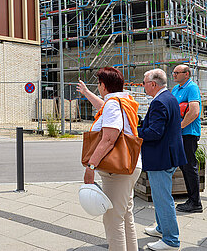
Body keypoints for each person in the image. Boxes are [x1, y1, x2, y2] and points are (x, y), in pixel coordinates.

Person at [77, 67, 141, 251]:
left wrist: (91, 166)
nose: (98, 87)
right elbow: (104, 108)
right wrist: (87, 93)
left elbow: (109, 138)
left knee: (113, 219)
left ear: (104, 85)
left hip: (117, 171)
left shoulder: (113, 104)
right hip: (129, 166)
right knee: (125, 215)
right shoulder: (123, 101)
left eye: (98, 84)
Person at [138, 69, 187, 251]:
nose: (142, 85)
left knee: (162, 199)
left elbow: (155, 133)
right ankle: (161, 229)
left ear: (153, 84)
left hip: (161, 158)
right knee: (161, 197)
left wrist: (135, 132)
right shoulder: (169, 97)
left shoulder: (159, 102)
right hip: (170, 155)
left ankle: (171, 240)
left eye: (144, 82)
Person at [171, 64, 203, 213]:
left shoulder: (192, 88)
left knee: (190, 166)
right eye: (173, 72)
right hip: (180, 133)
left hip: (189, 133)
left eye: (177, 72)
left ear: (187, 74)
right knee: (184, 166)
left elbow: (194, 111)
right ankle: (191, 199)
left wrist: (181, 126)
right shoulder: (176, 89)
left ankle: (196, 202)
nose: (174, 75)